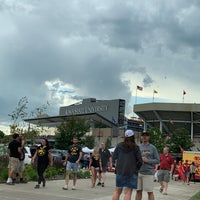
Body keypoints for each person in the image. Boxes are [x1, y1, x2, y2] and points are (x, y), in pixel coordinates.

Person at [112, 130, 143, 200]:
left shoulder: (119, 146)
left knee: (117, 191)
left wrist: (118, 166)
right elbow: (140, 161)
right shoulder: (136, 147)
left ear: (125, 136)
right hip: (132, 172)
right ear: (133, 137)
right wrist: (136, 168)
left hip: (120, 171)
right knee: (128, 192)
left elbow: (114, 158)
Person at [135, 131, 160, 200]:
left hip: (148, 173)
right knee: (138, 191)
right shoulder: (138, 147)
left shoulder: (152, 148)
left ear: (148, 137)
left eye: (146, 135)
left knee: (150, 192)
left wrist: (148, 161)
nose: (144, 137)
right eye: (143, 135)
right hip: (138, 173)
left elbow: (157, 160)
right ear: (141, 137)